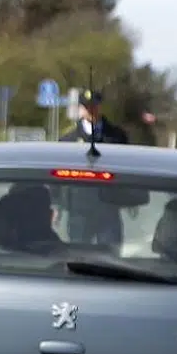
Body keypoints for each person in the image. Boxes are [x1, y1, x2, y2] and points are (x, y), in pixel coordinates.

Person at [56, 88, 127, 245]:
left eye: (94, 106)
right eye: (87, 107)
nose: (91, 111)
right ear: (81, 108)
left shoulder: (117, 136)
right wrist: (56, 205)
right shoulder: (68, 140)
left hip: (109, 207)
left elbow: (126, 168)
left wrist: (129, 197)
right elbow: (58, 175)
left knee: (111, 257)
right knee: (78, 254)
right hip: (79, 208)